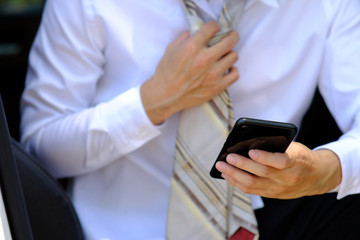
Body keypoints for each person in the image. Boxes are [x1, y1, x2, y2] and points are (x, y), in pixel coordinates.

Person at [20, 0, 360, 239]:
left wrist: (326, 171)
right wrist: (150, 103)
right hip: (111, 230)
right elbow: (37, 150)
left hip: (270, 221)